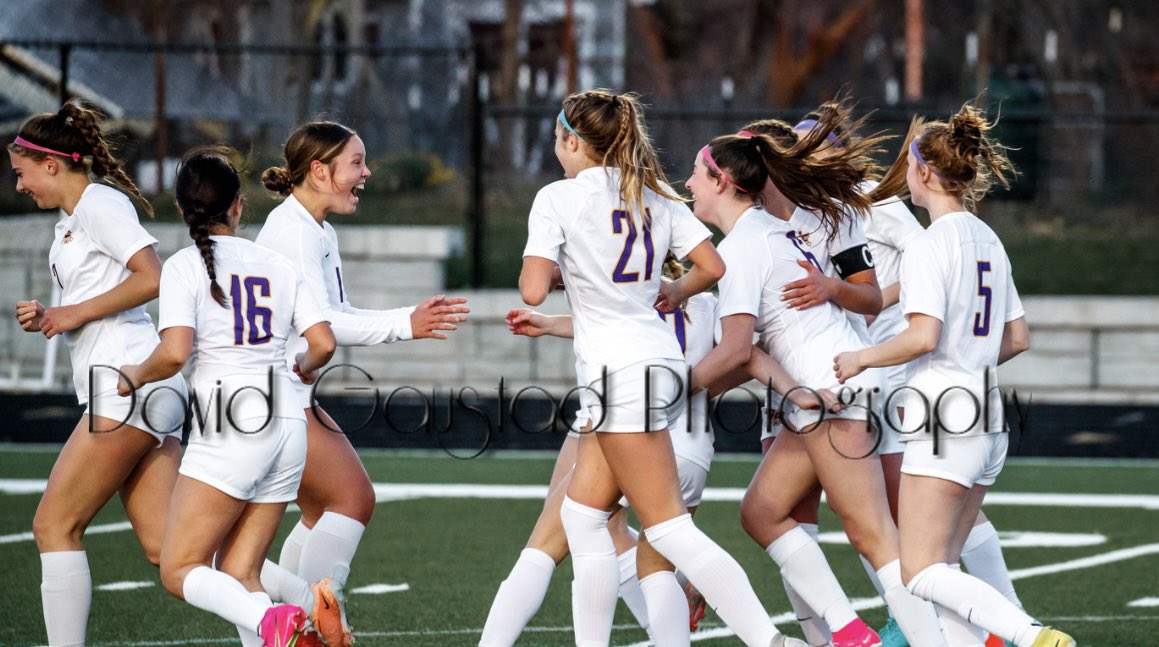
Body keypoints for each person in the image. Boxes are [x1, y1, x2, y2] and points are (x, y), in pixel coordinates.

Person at [520, 88, 804, 647]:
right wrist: (672, 289)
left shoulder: (558, 198)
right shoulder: (653, 194)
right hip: (654, 366)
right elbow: (713, 265)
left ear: (571, 141)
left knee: (670, 530)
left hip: (620, 373)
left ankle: (770, 641)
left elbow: (532, 290)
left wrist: (562, 271)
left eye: (558, 139)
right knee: (583, 520)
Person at [687, 114, 942, 647]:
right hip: (818, 389)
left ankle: (931, 639)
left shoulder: (749, 244)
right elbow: (750, 351)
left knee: (875, 536)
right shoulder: (765, 232)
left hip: (833, 388)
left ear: (723, 181)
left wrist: (670, 392)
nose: (686, 184)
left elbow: (738, 350)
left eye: (695, 172)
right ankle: (846, 632)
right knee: (763, 512)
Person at [833, 103, 1073, 647]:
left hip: (944, 416)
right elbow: (1017, 338)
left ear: (923, 172)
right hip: (987, 412)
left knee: (919, 573)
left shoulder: (929, 244)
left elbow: (922, 336)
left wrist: (861, 359)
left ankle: (1029, 634)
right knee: (943, 572)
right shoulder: (989, 238)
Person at [117, 147, 343, 647]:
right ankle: (305, 605)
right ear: (238, 206)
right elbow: (323, 343)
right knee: (241, 570)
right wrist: (301, 369)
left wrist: (134, 374)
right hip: (288, 424)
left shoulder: (183, 266)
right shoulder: (279, 264)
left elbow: (174, 353)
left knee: (179, 569)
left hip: (231, 422)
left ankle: (276, 620)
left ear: (181, 209)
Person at [252, 121, 470, 601]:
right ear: (318, 170)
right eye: (356, 162)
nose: (367, 172)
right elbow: (325, 324)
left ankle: (291, 621)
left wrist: (406, 319)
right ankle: (310, 616)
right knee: (352, 499)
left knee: (321, 512)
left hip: (283, 392)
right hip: (270, 396)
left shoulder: (315, 228)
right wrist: (404, 324)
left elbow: (335, 315)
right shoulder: (294, 233)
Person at [10, 100, 188, 647]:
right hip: (139, 384)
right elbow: (99, 295)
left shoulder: (97, 205)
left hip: (126, 382)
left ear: (50, 164)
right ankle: (294, 607)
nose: (19, 187)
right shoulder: (74, 220)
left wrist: (72, 313)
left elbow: (153, 277)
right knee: (169, 548)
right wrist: (53, 315)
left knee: (53, 526)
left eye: (20, 174)